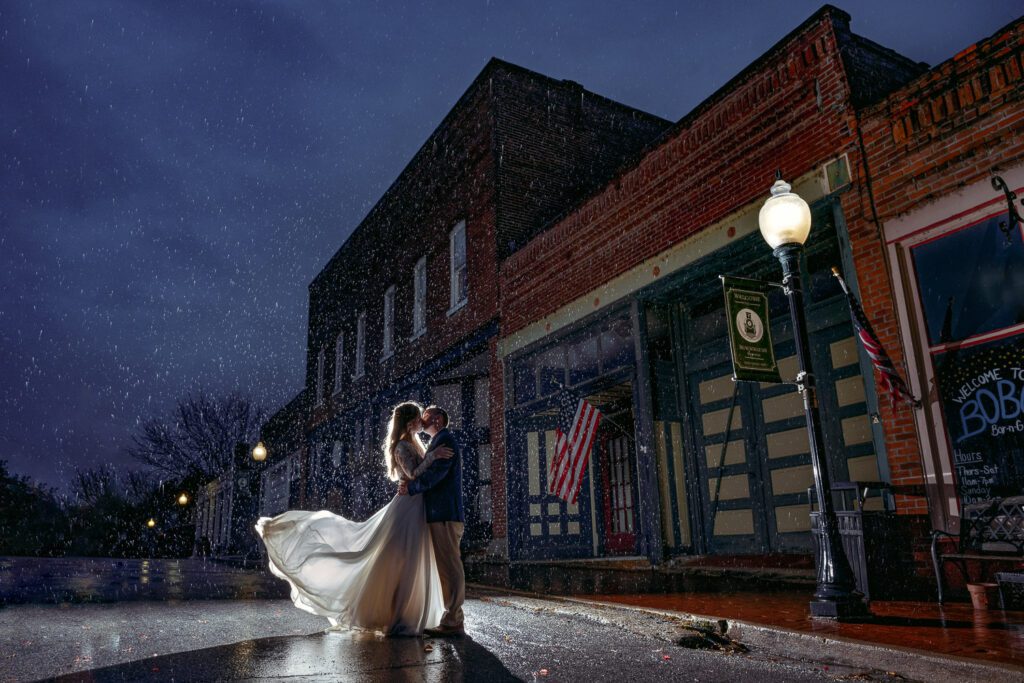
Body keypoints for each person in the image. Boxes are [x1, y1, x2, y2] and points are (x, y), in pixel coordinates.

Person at [255, 401, 453, 636]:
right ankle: (398, 616)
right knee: (402, 559)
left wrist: (432, 455)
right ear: (410, 422)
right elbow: (412, 474)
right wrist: (434, 457)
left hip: (416, 504)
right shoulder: (401, 446)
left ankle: (407, 614)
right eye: (419, 417)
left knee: (411, 558)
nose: (423, 421)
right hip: (407, 508)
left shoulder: (414, 443)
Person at [399, 405, 465, 637]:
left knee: (450, 566)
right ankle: (451, 618)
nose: (421, 419)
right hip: (441, 513)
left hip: (445, 513)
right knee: (446, 567)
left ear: (437, 419)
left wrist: (411, 487)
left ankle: (454, 620)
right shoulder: (438, 441)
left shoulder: (444, 440)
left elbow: (435, 476)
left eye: (425, 415)